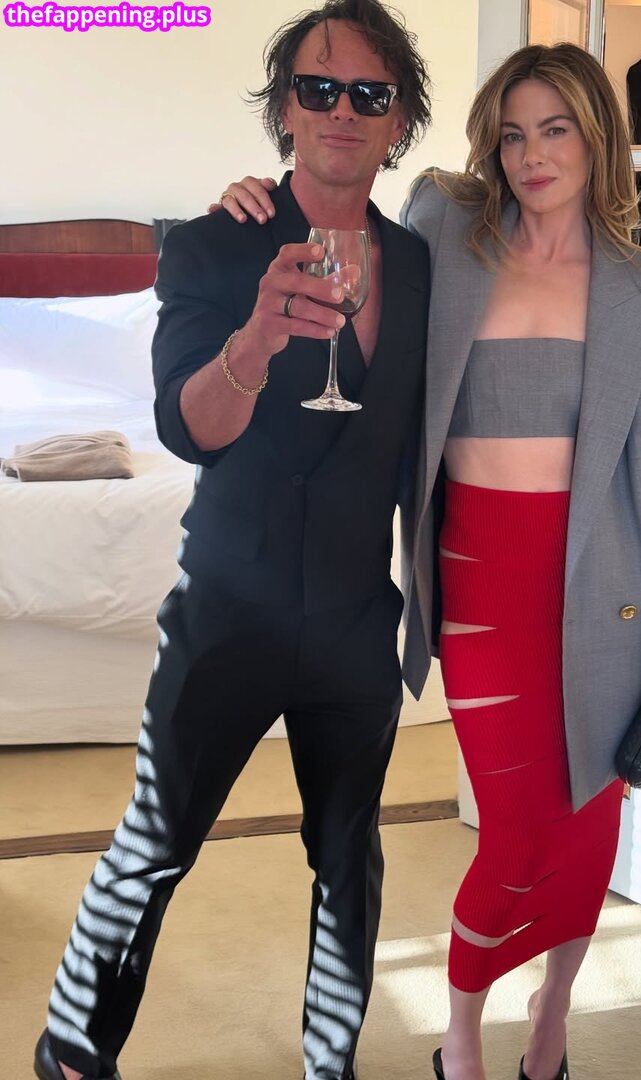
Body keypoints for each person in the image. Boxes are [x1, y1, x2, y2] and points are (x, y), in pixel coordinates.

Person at [216, 40, 641, 1080]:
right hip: (482, 592)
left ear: (598, 138)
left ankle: (552, 1019)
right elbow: (342, 222)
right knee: (517, 838)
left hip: (609, 601)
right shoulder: (450, 229)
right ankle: (461, 1036)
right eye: (513, 134)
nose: (533, 155)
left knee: (585, 834)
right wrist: (252, 208)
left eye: (557, 129)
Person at [32, 3, 432, 1079]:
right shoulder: (212, 245)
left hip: (356, 618)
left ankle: (329, 1065)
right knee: (155, 843)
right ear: (284, 110)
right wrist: (254, 340)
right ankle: (72, 1049)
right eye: (318, 88)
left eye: (370, 93)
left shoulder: (424, 264)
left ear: (398, 121)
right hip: (228, 608)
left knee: (347, 864)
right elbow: (184, 428)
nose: (343, 110)